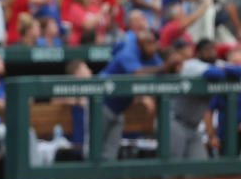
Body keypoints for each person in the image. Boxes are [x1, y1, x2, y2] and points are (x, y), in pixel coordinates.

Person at [99, 31, 180, 161]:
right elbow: (137, 74)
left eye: (154, 43)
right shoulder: (128, 52)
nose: (153, 47)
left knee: (110, 153)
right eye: (149, 44)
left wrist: (171, 64)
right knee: (94, 148)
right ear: (140, 45)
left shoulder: (151, 55)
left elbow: (162, 70)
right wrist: (165, 67)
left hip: (119, 109)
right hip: (101, 105)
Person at [170, 39, 239, 160]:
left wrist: (225, 69)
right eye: (206, 50)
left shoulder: (217, 63)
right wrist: (227, 71)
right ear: (197, 54)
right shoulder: (191, 64)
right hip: (175, 122)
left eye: (213, 49)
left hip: (194, 127)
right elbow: (215, 74)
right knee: (171, 169)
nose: (211, 53)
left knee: (198, 171)